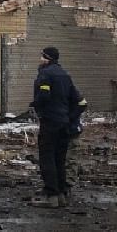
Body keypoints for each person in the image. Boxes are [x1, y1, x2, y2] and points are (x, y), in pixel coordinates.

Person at [30, 46, 85, 207]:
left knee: (47, 157)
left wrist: (35, 104)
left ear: (46, 58)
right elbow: (79, 101)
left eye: (42, 57)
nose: (40, 60)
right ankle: (61, 194)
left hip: (50, 122)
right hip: (64, 124)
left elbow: (44, 95)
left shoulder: (46, 74)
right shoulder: (65, 75)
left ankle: (51, 195)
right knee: (60, 159)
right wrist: (69, 118)